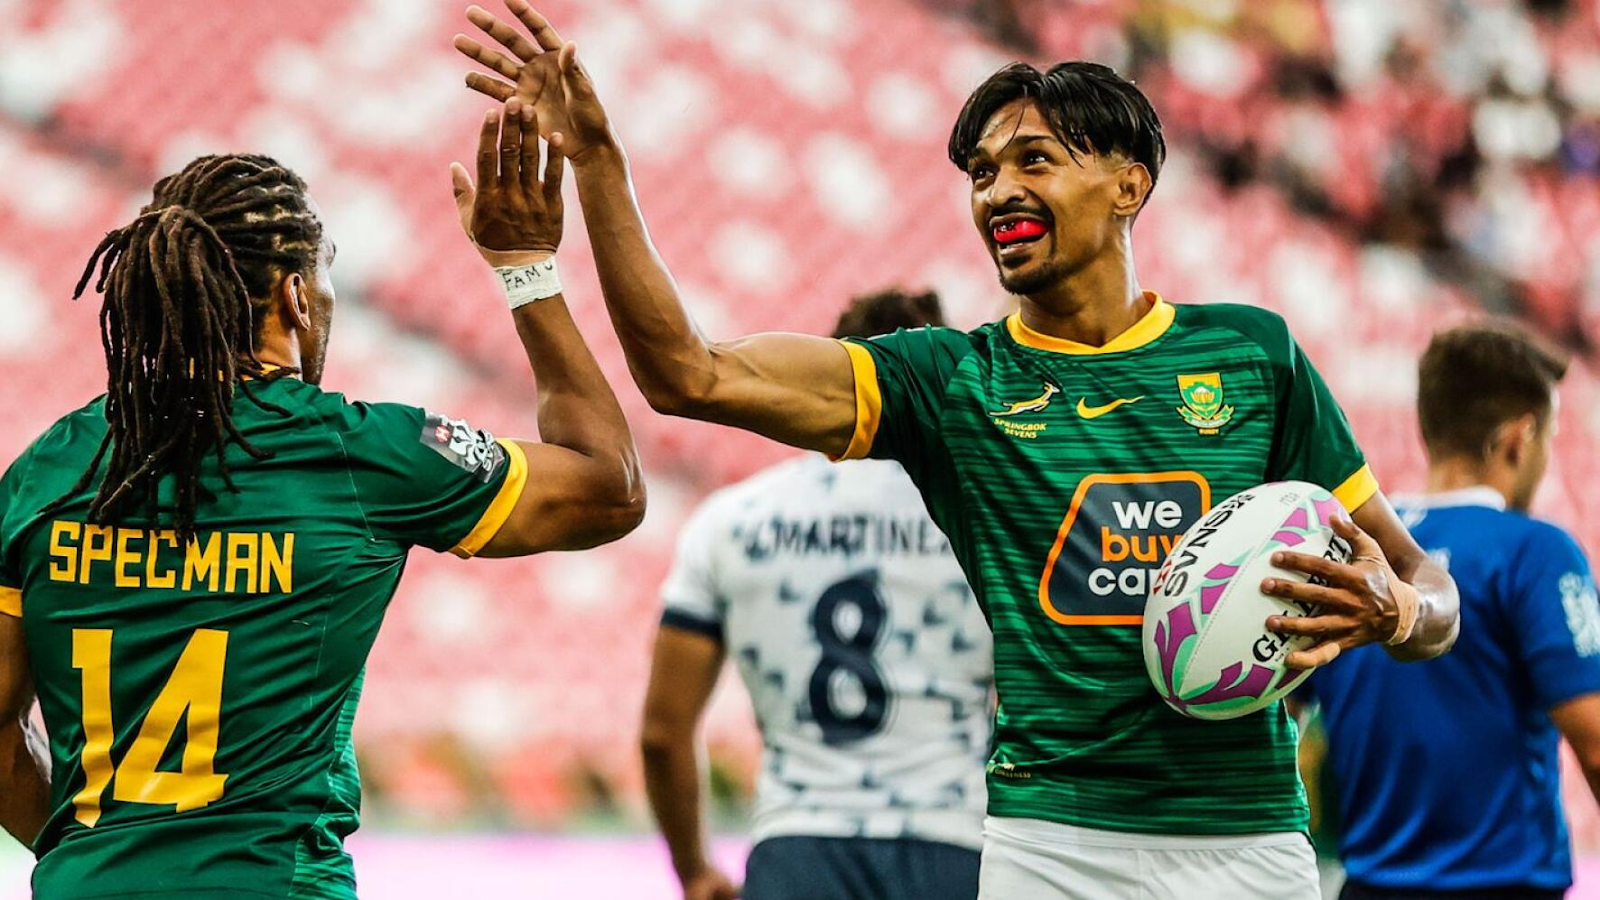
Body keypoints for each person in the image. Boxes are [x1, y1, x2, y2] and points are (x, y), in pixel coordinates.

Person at [454, 5, 1460, 896]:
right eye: (980, 171)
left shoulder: (1253, 355)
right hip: (1047, 846)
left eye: (1031, 159)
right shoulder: (949, 381)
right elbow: (689, 373)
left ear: (1127, 183)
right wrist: (598, 165)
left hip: (1248, 843)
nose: (994, 191)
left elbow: (1429, 599)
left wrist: (1399, 610)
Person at [0, 99, 644, 897]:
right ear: (299, 299)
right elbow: (610, 486)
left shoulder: (46, 470)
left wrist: (100, 864)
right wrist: (525, 266)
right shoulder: (358, 453)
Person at [640, 289, 992, 900]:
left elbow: (663, 734)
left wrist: (695, 870)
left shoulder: (732, 520)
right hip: (956, 845)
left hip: (798, 849)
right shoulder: (986, 520)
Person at [1302, 324, 1600, 900]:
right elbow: (1594, 744)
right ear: (1518, 439)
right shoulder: (1533, 551)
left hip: (1365, 883)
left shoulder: (1356, 555)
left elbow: (1290, 720)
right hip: (1499, 887)